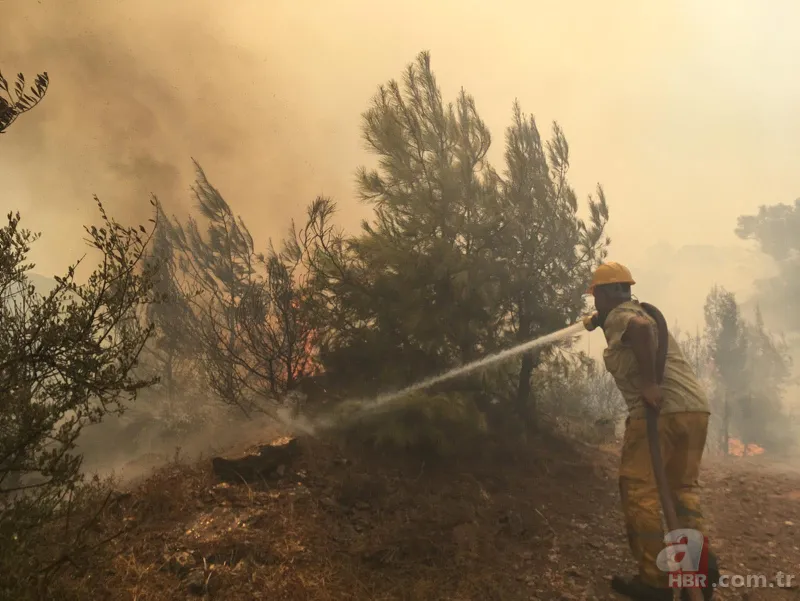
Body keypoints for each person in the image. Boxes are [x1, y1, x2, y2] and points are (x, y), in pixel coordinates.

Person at [583, 261, 720, 601]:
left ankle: (654, 583)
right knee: (683, 489)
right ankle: (697, 573)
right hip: (693, 409)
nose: (594, 303)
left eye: (595, 296)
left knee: (639, 490)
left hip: (657, 414)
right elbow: (640, 326)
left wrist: (648, 384)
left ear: (604, 292)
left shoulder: (624, 315)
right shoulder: (627, 311)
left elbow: (641, 328)